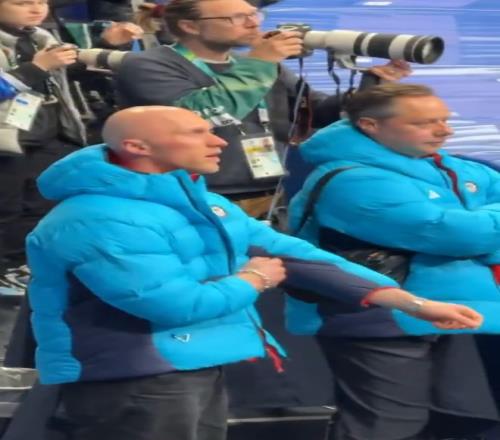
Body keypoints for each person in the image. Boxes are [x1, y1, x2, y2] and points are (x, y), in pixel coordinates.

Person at [26, 105, 481, 440]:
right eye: (196, 133)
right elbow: (172, 305)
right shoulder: (99, 219)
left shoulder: (201, 201)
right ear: (136, 147)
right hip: (133, 378)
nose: (219, 141)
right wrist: (255, 279)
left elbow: (296, 255)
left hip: (187, 367)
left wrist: (408, 302)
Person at [288, 83, 500, 439]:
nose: (444, 131)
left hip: (453, 309)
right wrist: (478, 235)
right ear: (370, 125)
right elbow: (451, 235)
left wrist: (480, 234)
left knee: (450, 422)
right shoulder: (352, 181)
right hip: (380, 318)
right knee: (387, 426)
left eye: (444, 120)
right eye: (424, 123)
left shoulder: (455, 168)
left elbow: (469, 232)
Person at [116, 0, 411, 217]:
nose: (253, 23)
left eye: (253, 14)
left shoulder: (258, 65)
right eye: (237, 17)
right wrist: (261, 62)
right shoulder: (148, 65)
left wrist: (371, 85)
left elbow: (315, 112)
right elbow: (200, 116)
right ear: (189, 26)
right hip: (194, 196)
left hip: (270, 195)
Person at [0, 0, 144, 297]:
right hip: (8, 143)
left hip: (52, 132)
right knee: (7, 209)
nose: (36, 8)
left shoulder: (42, 37)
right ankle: (6, 269)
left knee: (46, 204)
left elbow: (73, 75)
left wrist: (107, 44)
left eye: (41, 1)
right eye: (22, 2)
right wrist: (36, 68)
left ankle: (28, 264)